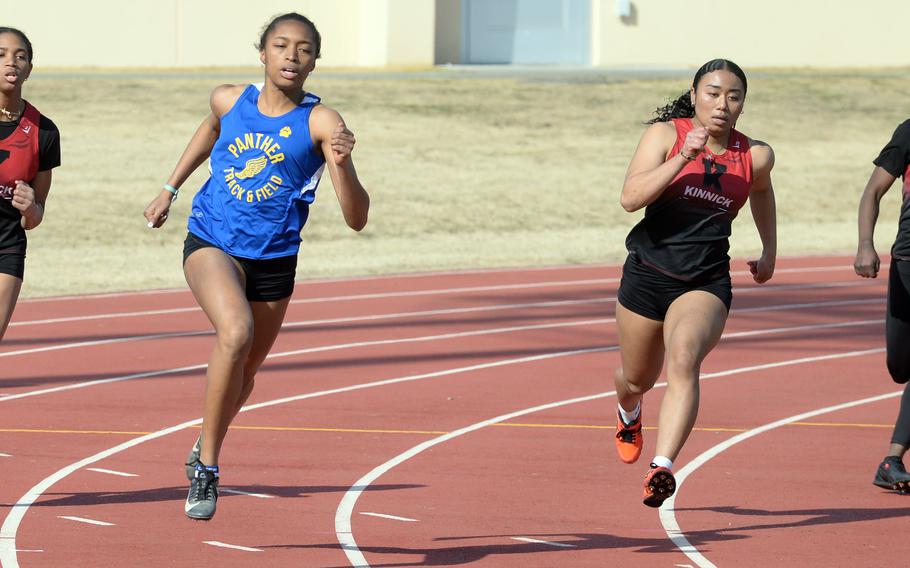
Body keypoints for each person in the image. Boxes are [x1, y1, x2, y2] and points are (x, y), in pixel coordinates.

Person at [143, 12, 370, 520]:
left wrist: (343, 160)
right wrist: (170, 188)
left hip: (274, 259)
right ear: (263, 53)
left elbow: (357, 219)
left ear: (315, 60)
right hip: (212, 241)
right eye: (282, 45)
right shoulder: (229, 98)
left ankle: (204, 436)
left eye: (304, 48)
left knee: (245, 374)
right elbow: (211, 129)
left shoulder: (322, 122)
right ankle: (208, 467)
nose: (292, 55)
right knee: (235, 331)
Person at [612, 59, 777, 508]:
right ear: (694, 94)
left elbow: (761, 190)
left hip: (704, 281)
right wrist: (686, 155)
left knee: (684, 358)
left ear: (743, 104)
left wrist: (769, 251)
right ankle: (629, 414)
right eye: (713, 92)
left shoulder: (755, 154)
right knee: (636, 378)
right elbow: (629, 199)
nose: (722, 104)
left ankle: (662, 468)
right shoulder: (666, 135)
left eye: (733, 96)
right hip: (648, 273)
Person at [854, 120, 910, 495]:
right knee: (900, 366)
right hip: (908, 262)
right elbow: (873, 191)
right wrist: (865, 244)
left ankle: (892, 459)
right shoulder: (909, 132)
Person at [0, 27, 61, 341]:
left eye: (20, 57)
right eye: (1, 55)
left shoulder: (44, 131)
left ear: (29, 71)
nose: (11, 62)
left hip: (6, 246)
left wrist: (30, 207)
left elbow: (35, 217)